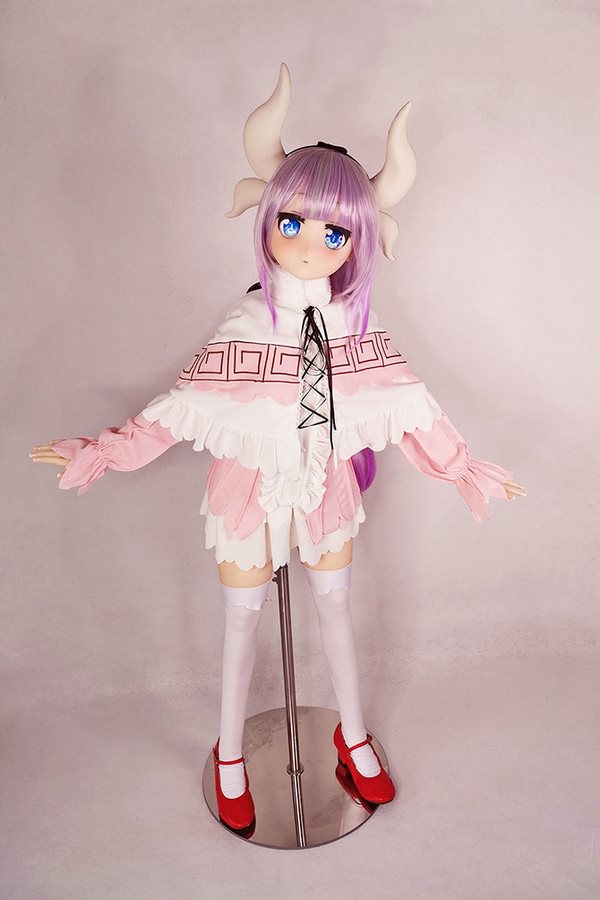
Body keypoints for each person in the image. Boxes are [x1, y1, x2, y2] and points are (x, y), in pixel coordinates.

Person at [30, 64, 526, 835]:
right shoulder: (245, 324)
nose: (309, 245)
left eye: (334, 233)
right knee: (240, 620)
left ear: (358, 240)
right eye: (292, 223)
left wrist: (460, 466)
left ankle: (350, 736)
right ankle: (230, 754)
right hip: (248, 490)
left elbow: (406, 403)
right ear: (264, 218)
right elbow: (182, 408)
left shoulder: (356, 329)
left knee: (335, 606)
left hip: (327, 486)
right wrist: (105, 452)